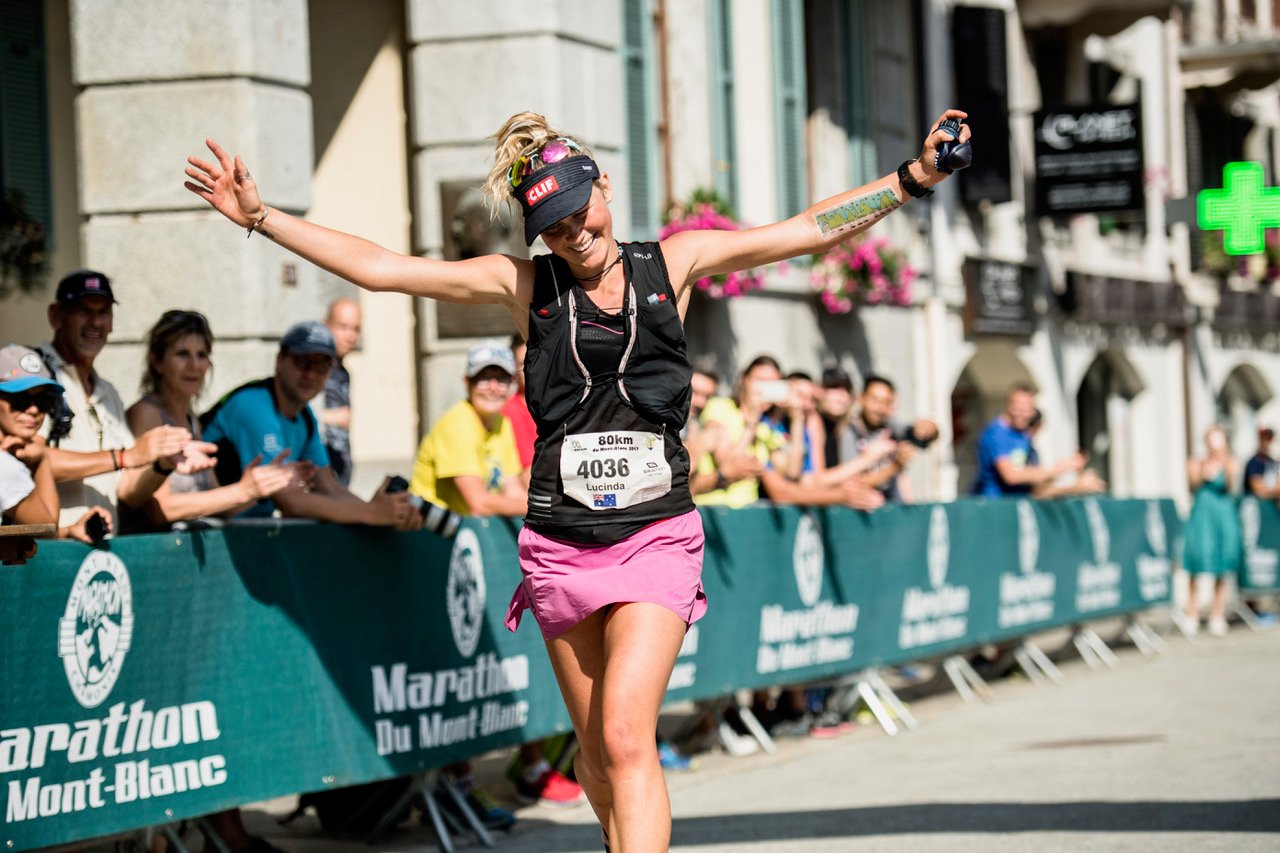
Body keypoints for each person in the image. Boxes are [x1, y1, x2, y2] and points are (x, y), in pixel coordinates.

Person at [185, 106, 970, 850]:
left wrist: (911, 179)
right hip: (561, 544)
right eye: (552, 228)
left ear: (603, 190)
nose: (573, 235)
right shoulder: (523, 284)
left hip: (656, 532)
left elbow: (801, 232)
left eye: (579, 214)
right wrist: (263, 217)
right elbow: (387, 270)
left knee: (628, 736)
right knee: (597, 754)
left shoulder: (677, 260)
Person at [410, 341, 585, 819]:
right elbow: (482, 502)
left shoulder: (501, 424)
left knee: (483, 671)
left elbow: (512, 489)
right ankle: (454, 786)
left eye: (501, 377)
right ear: (466, 383)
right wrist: (554, 506)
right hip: (430, 566)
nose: (492, 384)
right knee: (452, 676)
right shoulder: (456, 424)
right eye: (483, 376)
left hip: (471, 565)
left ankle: (481, 781)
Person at [37, 270, 217, 529]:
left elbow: (127, 490)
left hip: (104, 557)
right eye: (83, 310)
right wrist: (123, 457)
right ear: (56, 316)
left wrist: (164, 465)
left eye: (103, 312)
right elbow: (28, 458)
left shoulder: (108, 392)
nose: (95, 322)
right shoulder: (33, 374)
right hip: (47, 554)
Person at [199, 321, 415, 528]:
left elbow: (329, 488)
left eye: (321, 366)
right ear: (279, 361)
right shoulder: (253, 404)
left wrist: (383, 512)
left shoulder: (304, 417)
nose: (311, 373)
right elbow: (290, 502)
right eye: (302, 362)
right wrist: (370, 513)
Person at [122, 311, 297, 532]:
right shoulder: (146, 413)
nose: (194, 366)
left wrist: (266, 484)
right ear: (157, 362)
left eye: (202, 355)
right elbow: (161, 509)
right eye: (182, 354)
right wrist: (243, 490)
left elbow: (216, 503)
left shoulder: (190, 418)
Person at [0, 344, 111, 541]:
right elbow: (47, 528)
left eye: (44, 400)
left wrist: (68, 531)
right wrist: (42, 459)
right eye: (20, 399)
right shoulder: (5, 466)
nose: (34, 410)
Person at [970, 384, 1085, 498]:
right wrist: (1056, 470)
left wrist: (1072, 475)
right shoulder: (996, 434)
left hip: (1019, 505)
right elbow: (1011, 475)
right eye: (1019, 408)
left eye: (1028, 410)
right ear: (1009, 405)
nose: (1024, 414)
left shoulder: (1023, 435)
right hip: (994, 506)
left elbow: (1036, 484)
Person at [1182, 425, 1243, 636]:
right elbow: (1192, 485)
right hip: (1202, 515)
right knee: (1196, 562)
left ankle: (1218, 614)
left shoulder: (1231, 461)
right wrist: (1203, 471)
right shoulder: (1196, 461)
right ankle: (1192, 613)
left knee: (1222, 564)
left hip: (1223, 515)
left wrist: (1222, 461)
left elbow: (1230, 483)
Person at [320, 296, 361, 486]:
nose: (350, 336)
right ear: (326, 325)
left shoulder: (342, 371)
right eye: (343, 327)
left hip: (339, 474)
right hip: (318, 474)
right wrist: (326, 417)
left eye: (356, 329)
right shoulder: (314, 368)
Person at [1244, 427, 1278, 501]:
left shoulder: (1272, 462)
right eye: (1264, 439)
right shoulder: (1253, 462)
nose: (1266, 443)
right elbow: (1258, 489)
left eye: (1269, 440)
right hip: (1257, 506)